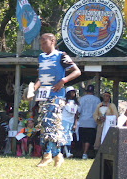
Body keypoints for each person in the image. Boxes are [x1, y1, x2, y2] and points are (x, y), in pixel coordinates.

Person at [34, 33, 81, 168]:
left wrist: (63, 80)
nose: (42, 46)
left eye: (44, 42)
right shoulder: (41, 57)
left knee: (51, 124)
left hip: (56, 95)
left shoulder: (61, 55)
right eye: (41, 43)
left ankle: (47, 155)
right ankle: (57, 155)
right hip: (43, 95)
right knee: (45, 125)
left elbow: (77, 71)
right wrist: (33, 88)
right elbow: (40, 77)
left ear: (53, 41)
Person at [77, 84, 101, 159]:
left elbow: (78, 110)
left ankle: (84, 152)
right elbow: (99, 111)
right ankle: (85, 152)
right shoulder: (97, 100)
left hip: (82, 120)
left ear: (86, 91)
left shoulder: (81, 99)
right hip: (92, 121)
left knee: (83, 138)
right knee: (88, 138)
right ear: (93, 91)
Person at [61, 86, 78, 158]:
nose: (73, 93)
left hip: (71, 121)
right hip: (64, 120)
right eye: (72, 92)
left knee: (69, 137)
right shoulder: (63, 101)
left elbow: (76, 114)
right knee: (63, 136)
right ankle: (63, 152)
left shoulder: (76, 102)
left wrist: (75, 124)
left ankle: (68, 152)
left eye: (74, 92)